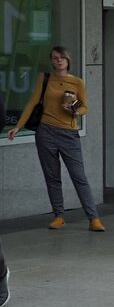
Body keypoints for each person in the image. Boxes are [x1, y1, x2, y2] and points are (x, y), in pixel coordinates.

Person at [8, 46, 104, 231]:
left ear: (68, 60)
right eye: (54, 58)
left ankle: (94, 218)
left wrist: (74, 110)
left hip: (68, 133)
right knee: (52, 177)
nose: (58, 60)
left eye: (62, 57)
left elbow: (85, 107)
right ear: (51, 61)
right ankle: (59, 215)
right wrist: (18, 126)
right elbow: (32, 102)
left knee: (79, 176)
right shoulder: (44, 79)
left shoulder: (77, 82)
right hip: (46, 132)